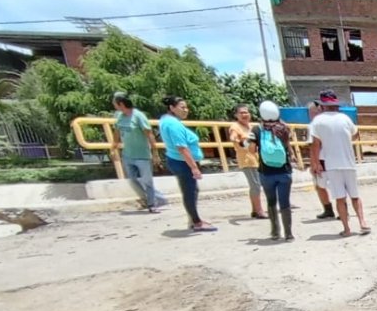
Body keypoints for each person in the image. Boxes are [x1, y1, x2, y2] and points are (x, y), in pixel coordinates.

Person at [310, 90, 368, 236]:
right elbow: (355, 134)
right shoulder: (345, 118)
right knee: (355, 196)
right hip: (349, 163)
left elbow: (315, 145)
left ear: (322, 106)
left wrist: (316, 164)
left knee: (340, 198)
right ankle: (363, 223)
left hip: (332, 165)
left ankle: (347, 229)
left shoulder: (317, 121)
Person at [158, 95, 216, 233]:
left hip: (178, 160)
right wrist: (194, 168)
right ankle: (196, 222)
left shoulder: (166, 121)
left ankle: (193, 218)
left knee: (191, 190)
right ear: (171, 108)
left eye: (186, 107)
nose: (186, 110)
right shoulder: (173, 125)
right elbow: (182, 148)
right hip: (182, 162)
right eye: (182, 107)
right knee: (189, 192)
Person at [111, 92, 168, 213]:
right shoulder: (119, 116)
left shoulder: (138, 116)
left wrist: (155, 153)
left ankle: (152, 204)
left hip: (142, 155)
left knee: (147, 181)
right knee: (132, 180)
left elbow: (149, 134)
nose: (114, 105)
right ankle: (155, 199)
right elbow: (116, 132)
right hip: (128, 154)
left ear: (121, 104)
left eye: (115, 103)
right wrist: (113, 147)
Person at [251, 101, 295, 241]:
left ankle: (275, 232)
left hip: (266, 172)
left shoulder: (256, 130)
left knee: (271, 202)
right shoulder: (284, 128)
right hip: (284, 171)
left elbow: (251, 149)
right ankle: (289, 234)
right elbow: (288, 147)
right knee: (285, 202)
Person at [228, 105, 267, 219]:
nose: (244, 115)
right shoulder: (235, 126)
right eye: (241, 113)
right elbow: (233, 137)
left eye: (246, 112)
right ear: (236, 115)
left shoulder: (252, 126)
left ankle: (255, 210)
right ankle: (260, 210)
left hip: (256, 159)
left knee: (255, 185)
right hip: (246, 160)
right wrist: (240, 141)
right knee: (255, 185)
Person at [307, 100, 335, 219]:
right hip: (334, 159)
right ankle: (338, 210)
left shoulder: (314, 125)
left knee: (320, 186)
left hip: (322, 160)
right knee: (337, 185)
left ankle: (328, 209)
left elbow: (313, 146)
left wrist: (314, 163)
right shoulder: (332, 123)